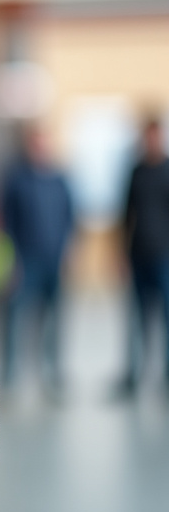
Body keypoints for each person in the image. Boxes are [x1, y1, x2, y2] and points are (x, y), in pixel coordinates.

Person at [0, 123, 76, 392]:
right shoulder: (16, 179)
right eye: (36, 142)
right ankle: (10, 376)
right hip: (24, 260)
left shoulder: (60, 179)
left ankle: (52, 374)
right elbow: (5, 222)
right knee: (16, 318)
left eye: (44, 142)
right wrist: (10, 260)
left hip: (53, 260)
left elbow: (70, 217)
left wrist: (69, 253)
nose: (40, 148)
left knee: (54, 319)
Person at [115, 116, 169, 397]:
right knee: (136, 319)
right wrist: (122, 254)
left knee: (165, 319)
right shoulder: (136, 171)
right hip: (138, 255)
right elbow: (126, 214)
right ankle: (133, 375)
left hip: (164, 258)